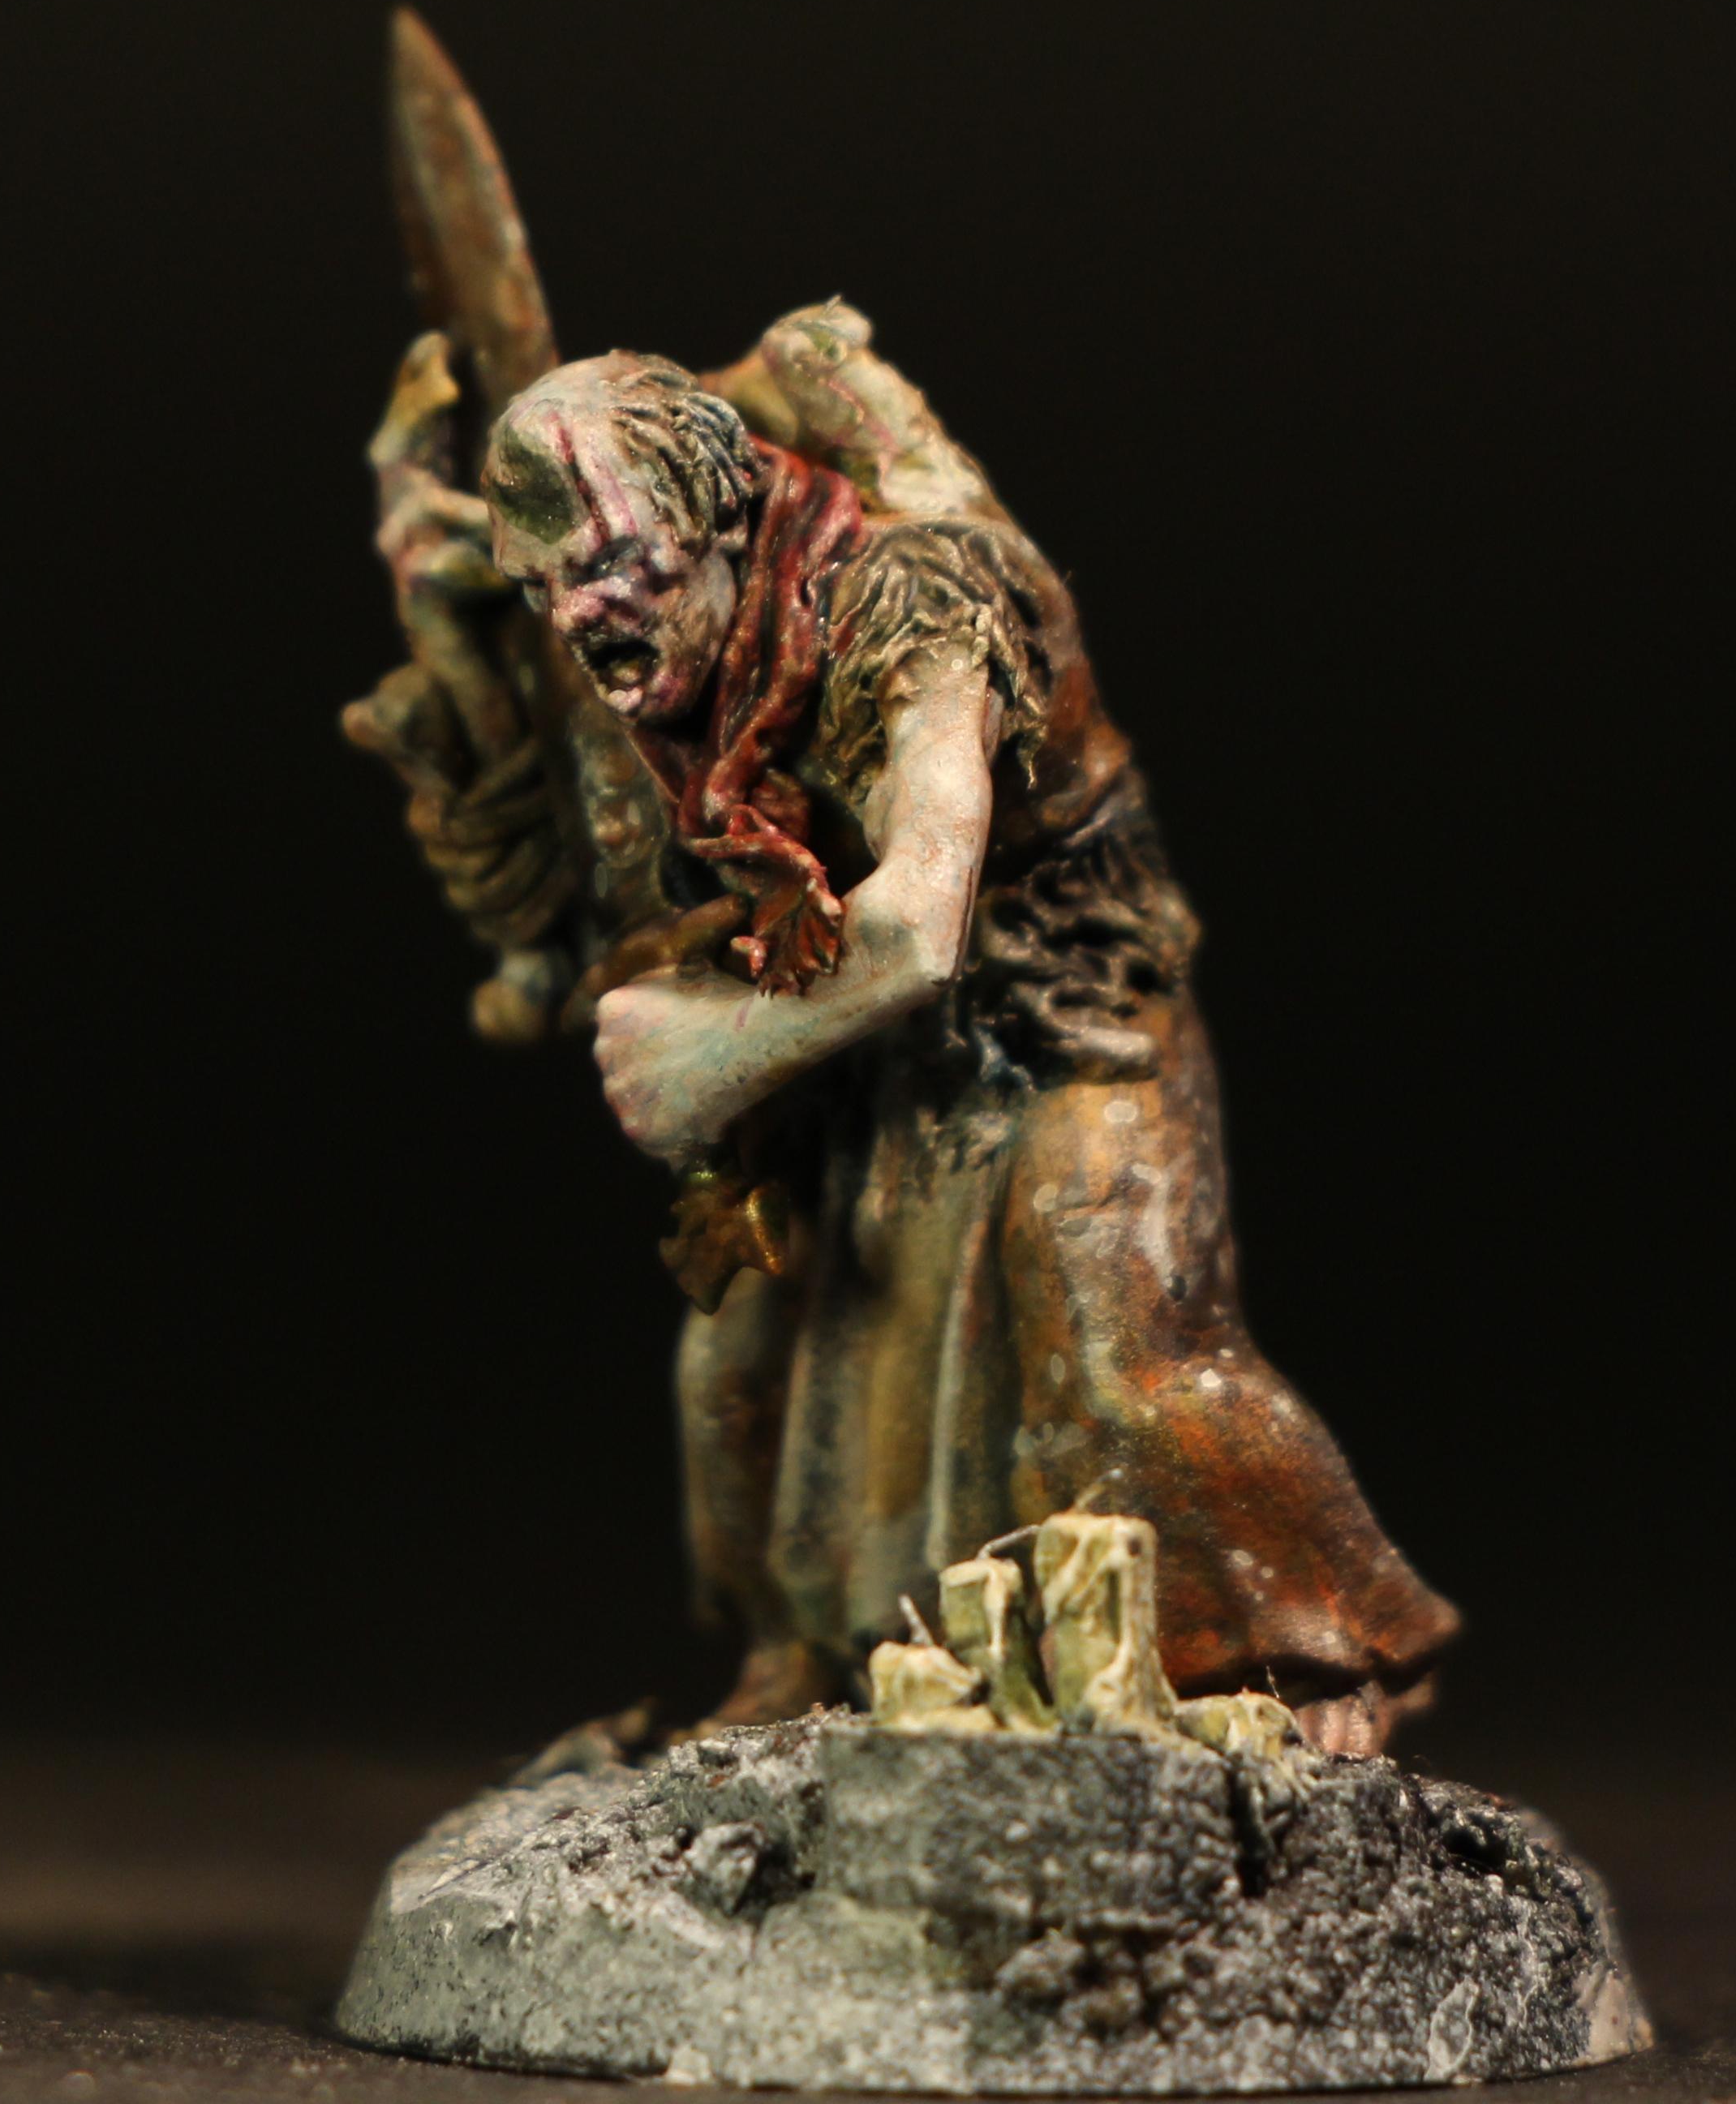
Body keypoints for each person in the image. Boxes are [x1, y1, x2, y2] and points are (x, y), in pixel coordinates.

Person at [360, 317, 1458, 1753]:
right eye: (543, 581)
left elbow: (920, 924)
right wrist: (452, 640)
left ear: (721, 517)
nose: (581, 614)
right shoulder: (649, 672)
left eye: (617, 562)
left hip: (1061, 1010)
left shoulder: (916, 598)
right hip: (865, 1063)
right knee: (745, 1369)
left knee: (1109, 1341)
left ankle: (1310, 1648)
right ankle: (810, 1663)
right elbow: (548, 926)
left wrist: (709, 1051)